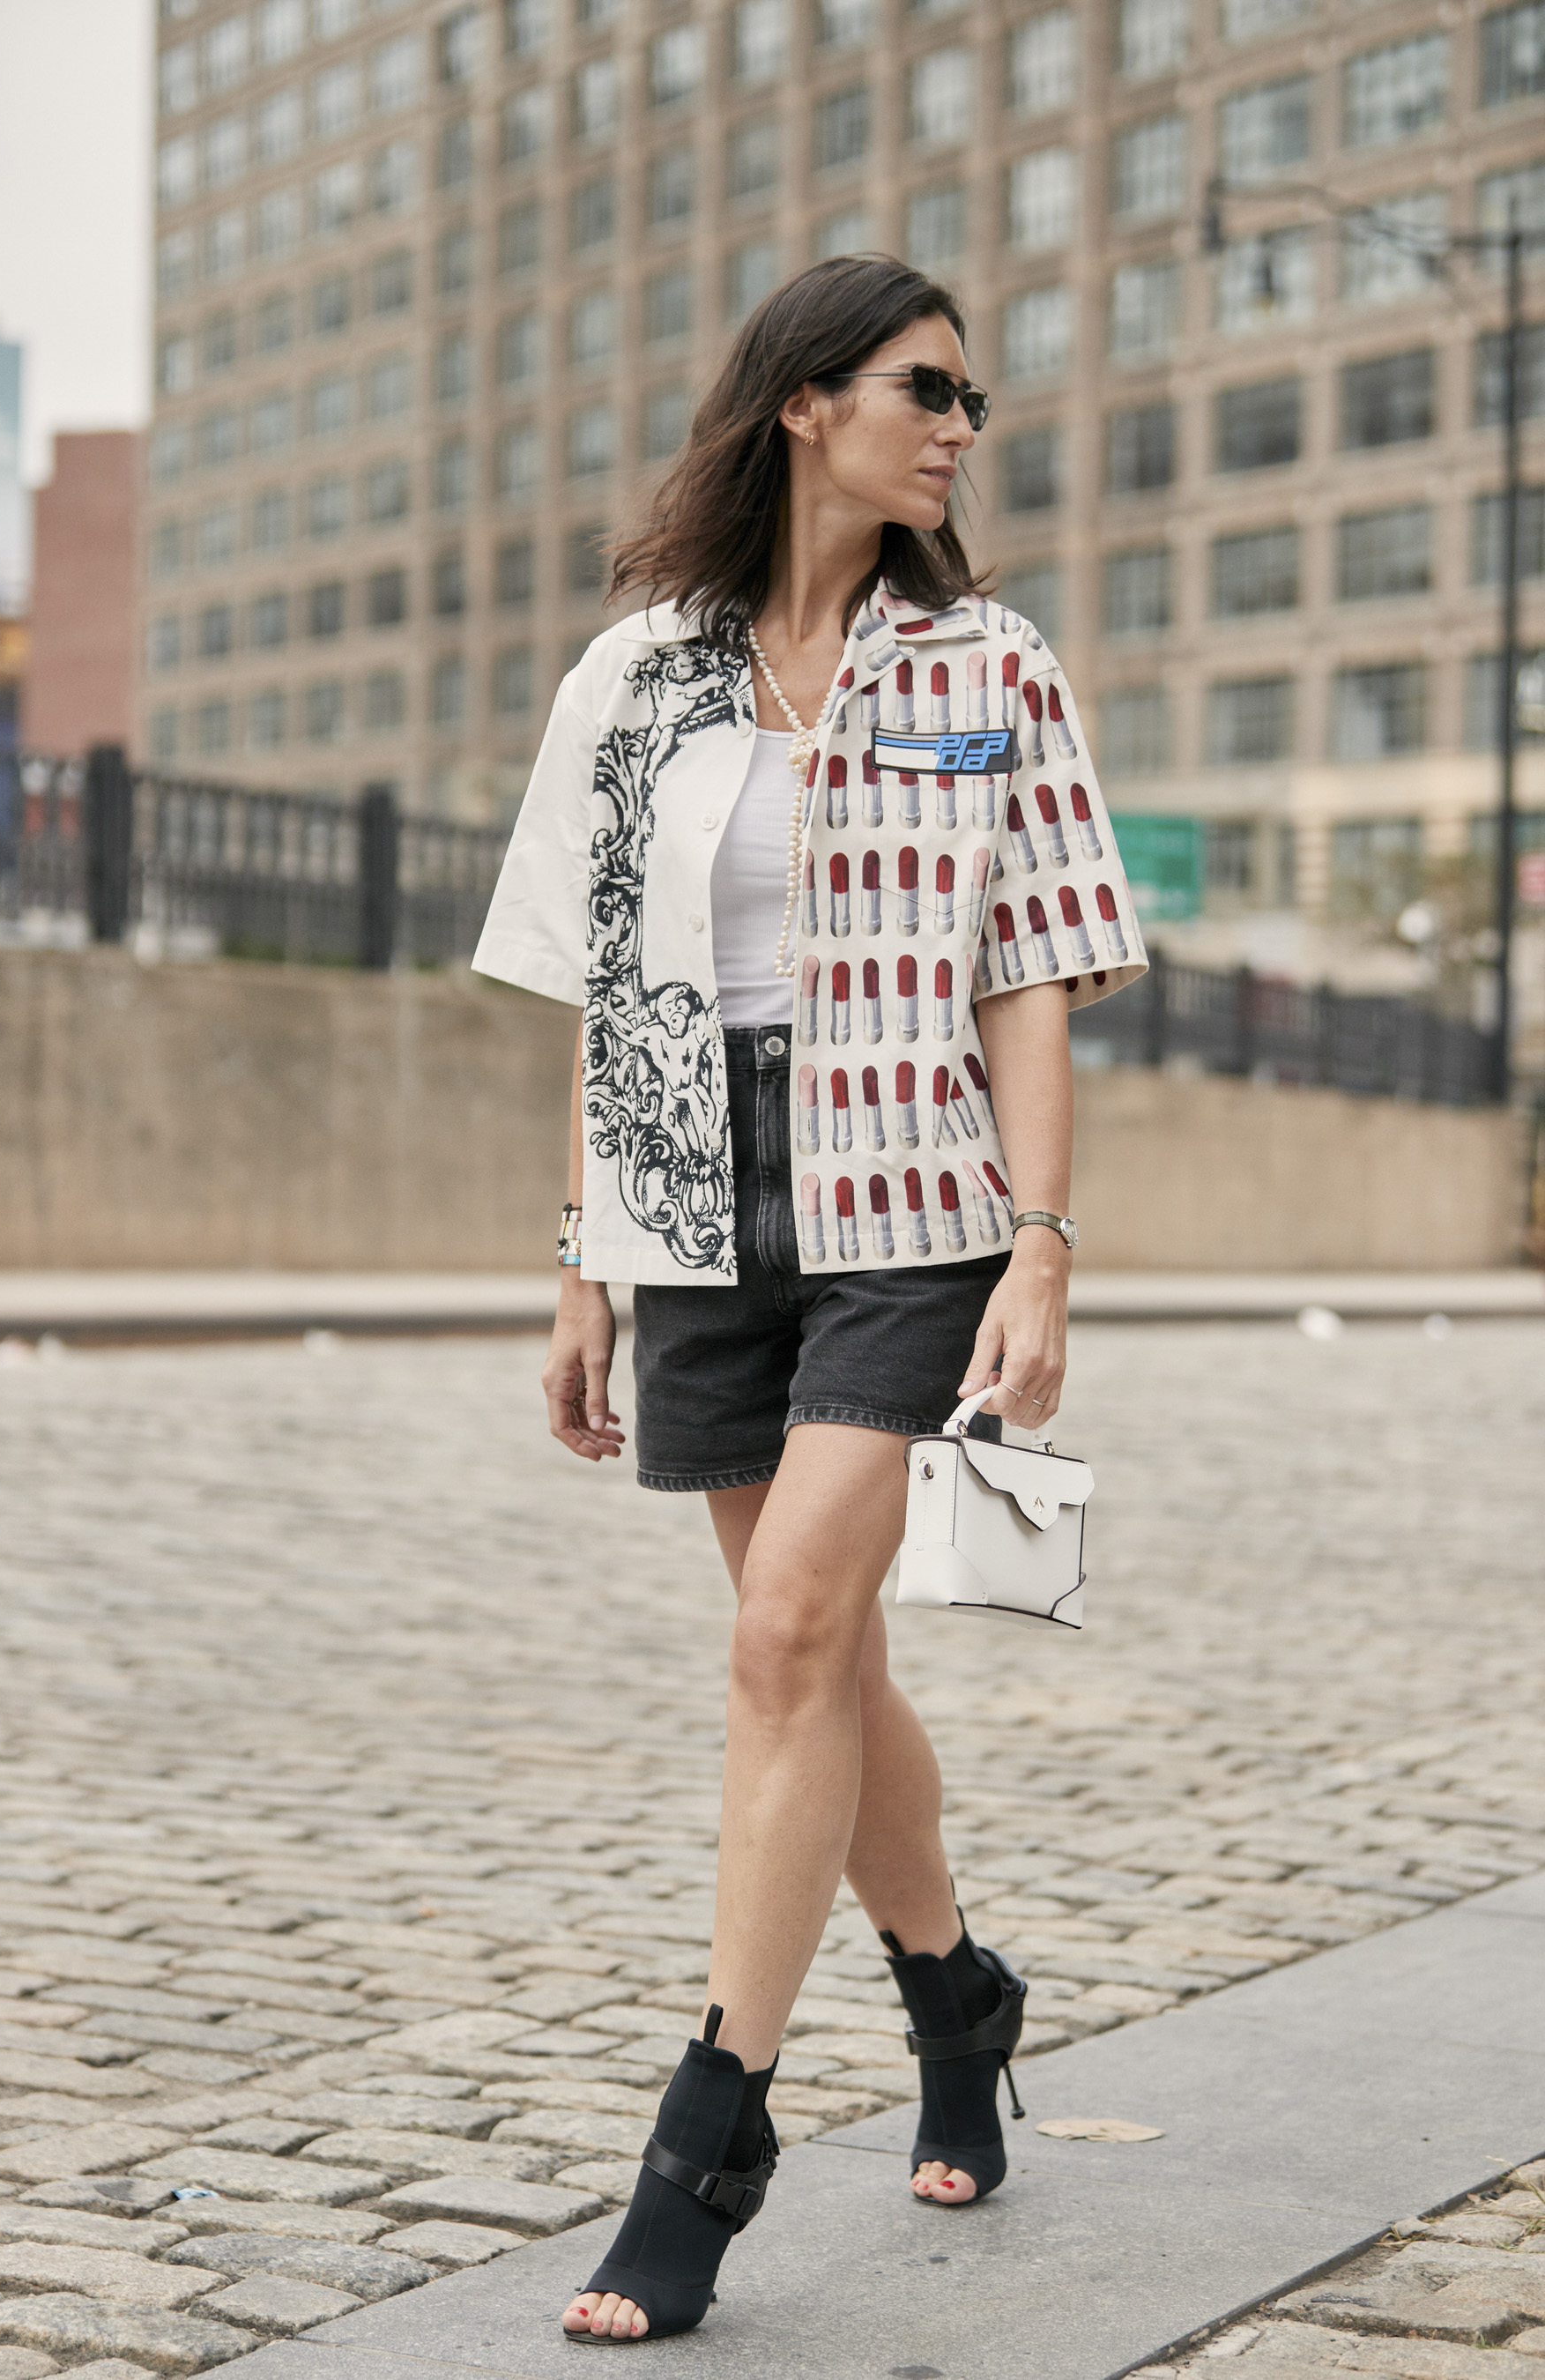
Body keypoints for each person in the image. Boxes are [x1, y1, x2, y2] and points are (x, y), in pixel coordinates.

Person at [472, 255, 1148, 2344]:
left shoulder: (990, 666)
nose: (958, 427)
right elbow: (609, 997)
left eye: (969, 400)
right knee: (825, 1660)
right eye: (925, 387)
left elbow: (1032, 977)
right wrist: (585, 1264)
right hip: (694, 1209)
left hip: (908, 1202)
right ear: (804, 403)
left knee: (782, 1640)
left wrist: (1043, 1240)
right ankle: (959, 1997)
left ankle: (711, 2139)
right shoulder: (635, 679)